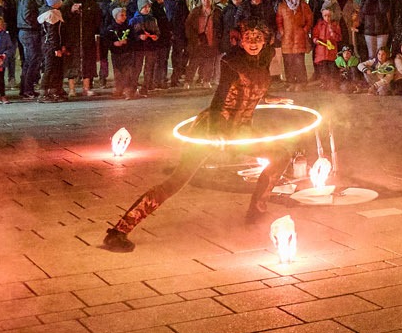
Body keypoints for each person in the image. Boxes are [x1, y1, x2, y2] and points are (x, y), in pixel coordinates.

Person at [103, 23, 285, 252]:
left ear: (266, 39)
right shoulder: (231, 61)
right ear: (240, 39)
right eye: (248, 37)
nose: (252, 42)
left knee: (280, 155)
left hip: (241, 131)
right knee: (177, 180)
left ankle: (256, 212)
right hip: (212, 128)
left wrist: (269, 99)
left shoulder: (263, 59)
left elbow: (251, 89)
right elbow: (220, 99)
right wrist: (218, 131)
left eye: (257, 37)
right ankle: (119, 231)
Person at [276, 0, 314, 85]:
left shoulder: (303, 5)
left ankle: (302, 82)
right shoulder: (282, 6)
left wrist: (305, 30)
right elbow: (279, 20)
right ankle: (290, 82)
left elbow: (309, 19)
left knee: (299, 61)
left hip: (299, 37)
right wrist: (281, 30)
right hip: (287, 37)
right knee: (288, 61)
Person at [38, 7, 66, 102]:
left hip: (51, 46)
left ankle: (53, 91)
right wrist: (56, 48)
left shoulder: (55, 13)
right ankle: (44, 92)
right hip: (51, 47)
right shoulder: (51, 15)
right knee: (50, 69)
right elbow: (52, 34)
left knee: (56, 69)